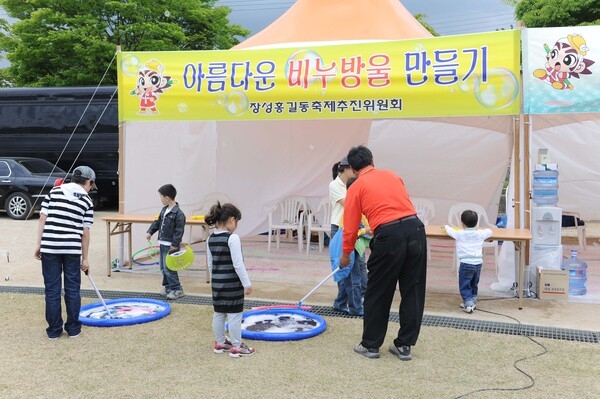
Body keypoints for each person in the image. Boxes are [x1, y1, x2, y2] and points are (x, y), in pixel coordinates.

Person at [340, 145, 427, 361]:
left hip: (388, 236)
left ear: (352, 168)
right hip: (415, 229)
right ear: (372, 161)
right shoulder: (393, 175)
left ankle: (370, 345)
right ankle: (404, 345)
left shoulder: (356, 187)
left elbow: (350, 227)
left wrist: (345, 255)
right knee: (413, 290)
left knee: (378, 291)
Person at [34, 165, 96, 340]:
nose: (90, 189)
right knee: (72, 289)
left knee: (52, 290)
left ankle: (54, 331)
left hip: (50, 247)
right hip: (71, 248)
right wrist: (86, 258)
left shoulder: (54, 192)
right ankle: (74, 329)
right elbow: (85, 232)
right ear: (88, 181)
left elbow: (42, 219)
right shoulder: (87, 201)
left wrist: (39, 245)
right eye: (91, 186)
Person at [205, 202, 255, 357]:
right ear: (232, 219)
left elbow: (210, 264)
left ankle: (220, 343)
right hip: (233, 284)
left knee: (219, 313)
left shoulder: (210, 239)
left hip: (218, 283)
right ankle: (237, 346)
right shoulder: (233, 238)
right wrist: (247, 283)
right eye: (237, 222)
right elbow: (238, 264)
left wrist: (215, 282)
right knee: (234, 314)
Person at [444, 210, 493, 313]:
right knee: (474, 283)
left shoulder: (459, 233)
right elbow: (490, 231)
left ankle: (469, 304)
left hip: (466, 264)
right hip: (478, 264)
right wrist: (480, 230)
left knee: (465, 285)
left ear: (462, 222)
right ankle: (472, 301)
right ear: (476, 223)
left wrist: (446, 227)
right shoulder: (479, 234)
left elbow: (449, 230)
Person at [146, 184, 186, 300]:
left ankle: (177, 289)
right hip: (163, 243)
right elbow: (158, 222)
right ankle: (168, 287)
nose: (160, 199)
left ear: (167, 198)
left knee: (170, 268)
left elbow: (179, 231)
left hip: (171, 246)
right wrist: (150, 232)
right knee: (163, 268)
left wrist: (175, 244)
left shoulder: (179, 214)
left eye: (161, 196)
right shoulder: (164, 210)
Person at [329, 157, 358, 314]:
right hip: (339, 227)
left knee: (356, 267)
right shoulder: (335, 185)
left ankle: (346, 302)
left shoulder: (353, 184)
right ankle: (341, 303)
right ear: (346, 169)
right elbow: (349, 204)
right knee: (342, 266)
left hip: (353, 226)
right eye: (353, 170)